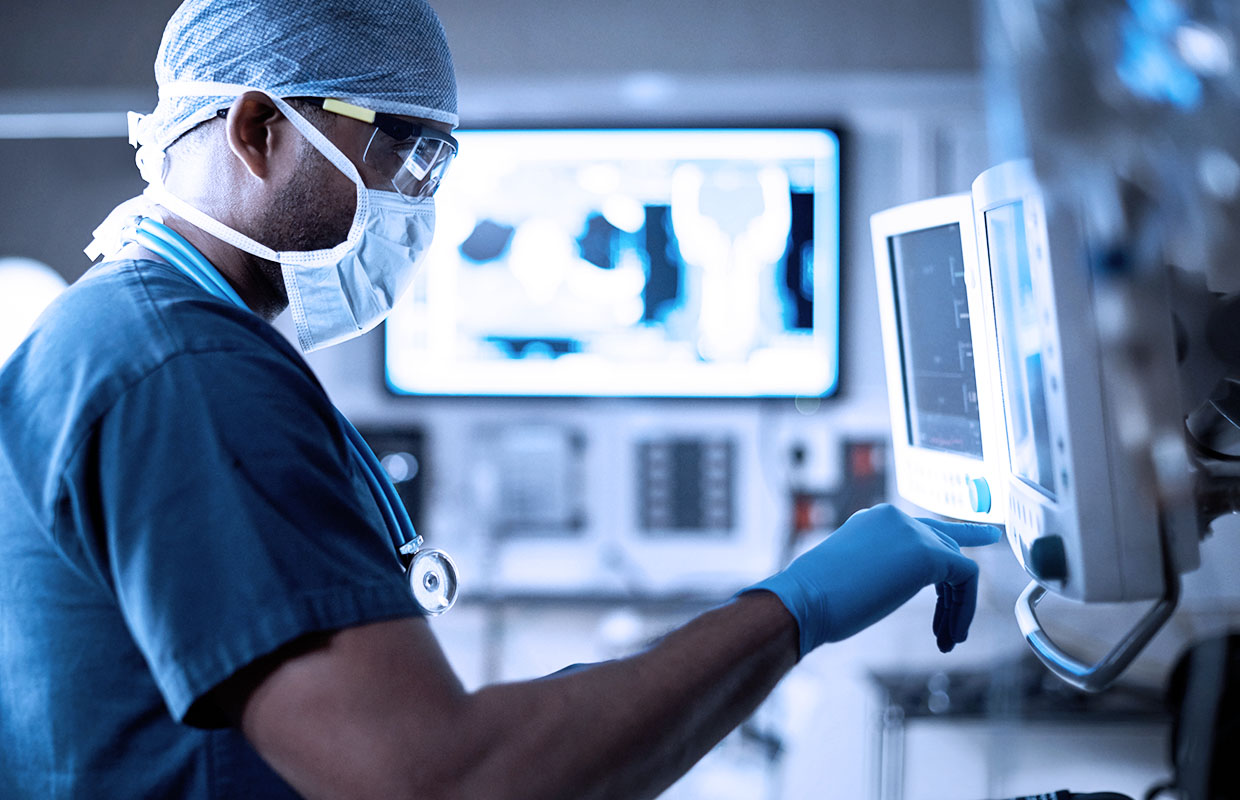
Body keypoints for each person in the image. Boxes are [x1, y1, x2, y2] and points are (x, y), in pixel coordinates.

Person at [0, 1, 1001, 797]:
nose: (423, 207)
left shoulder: (148, 334)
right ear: (260, 127)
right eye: (407, 151)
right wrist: (802, 603)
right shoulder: (184, 371)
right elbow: (442, 778)